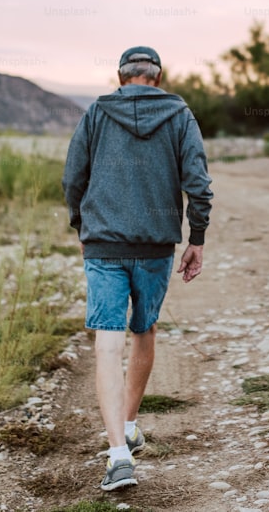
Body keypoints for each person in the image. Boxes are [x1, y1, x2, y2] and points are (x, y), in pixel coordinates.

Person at [62, 46, 213, 491]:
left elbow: (74, 177)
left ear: (120, 76)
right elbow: (198, 184)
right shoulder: (180, 114)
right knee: (144, 330)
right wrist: (196, 238)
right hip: (155, 246)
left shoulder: (96, 113)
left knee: (107, 343)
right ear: (159, 76)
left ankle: (117, 453)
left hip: (104, 245)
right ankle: (126, 425)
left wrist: (82, 224)